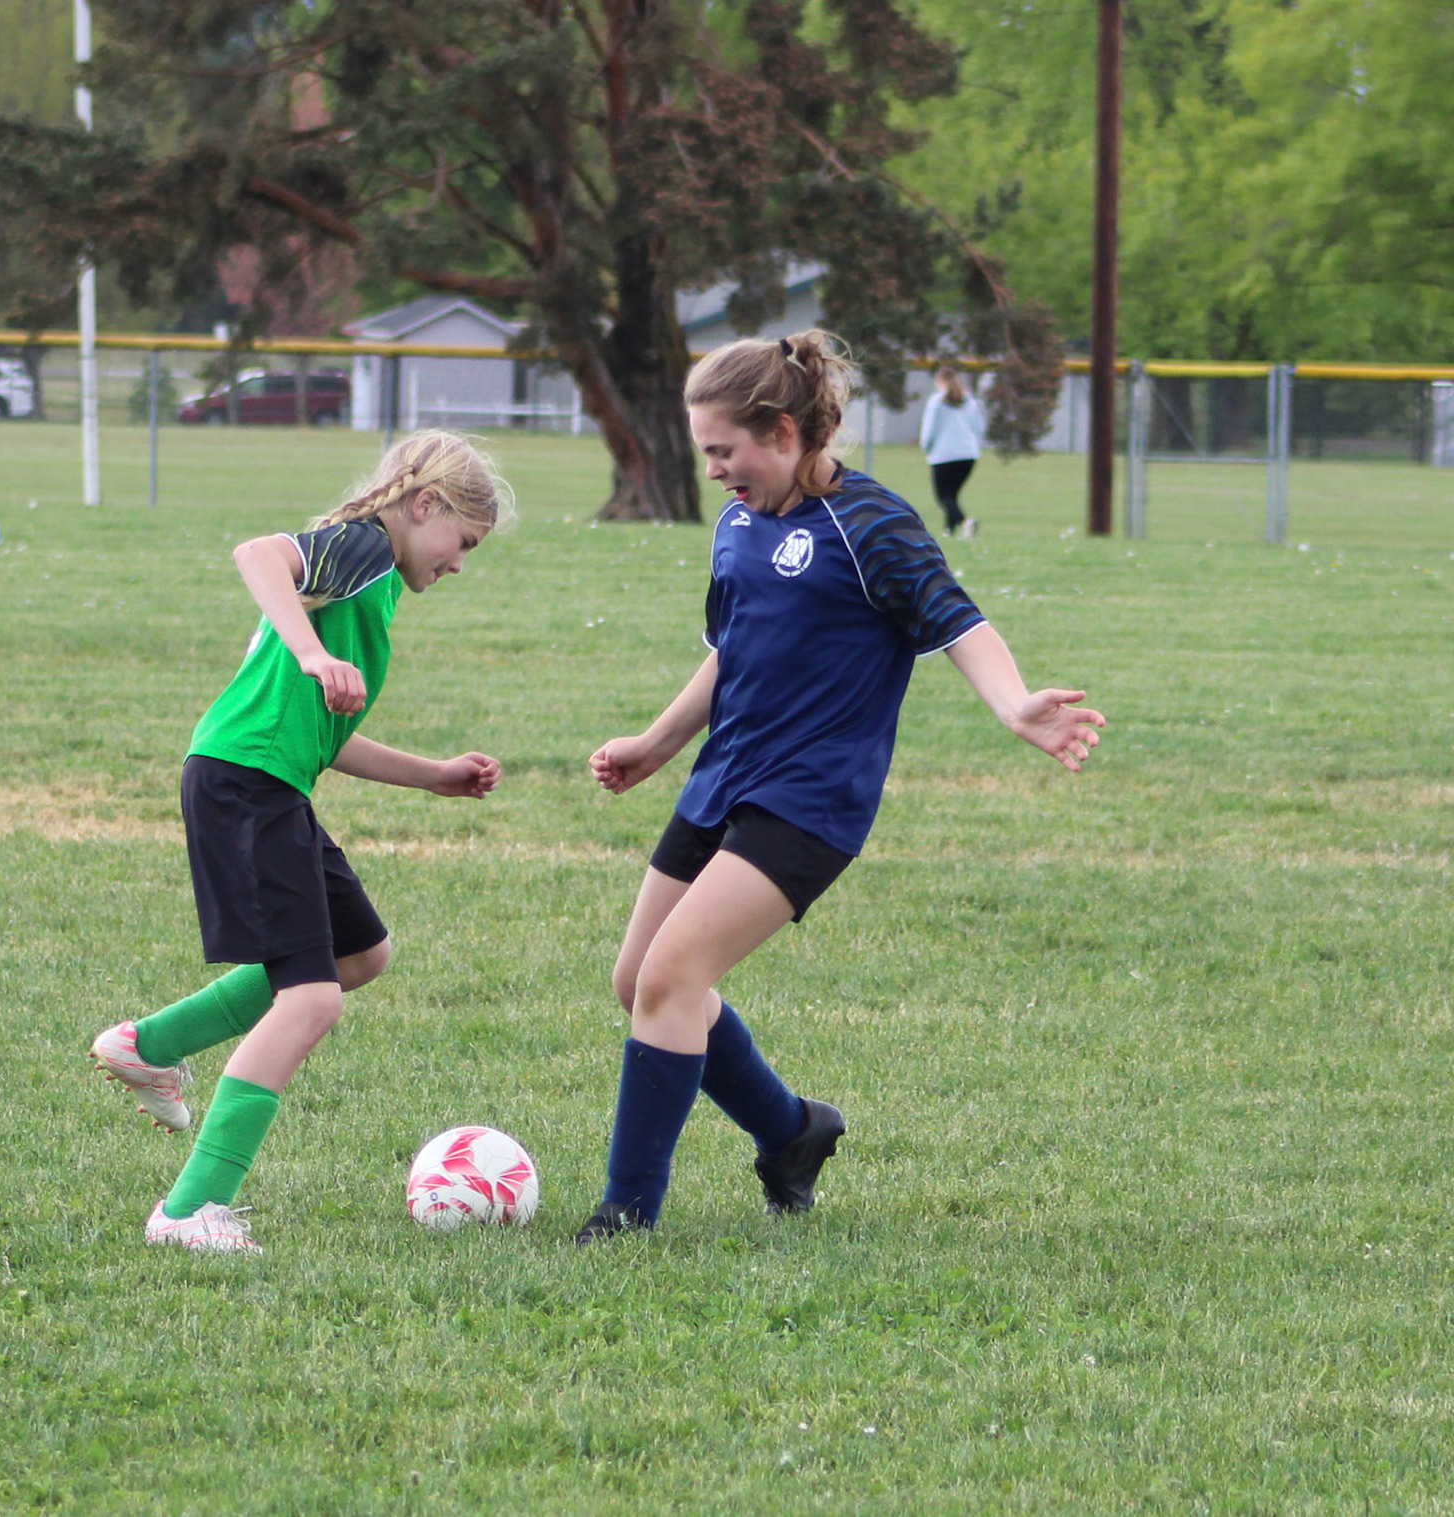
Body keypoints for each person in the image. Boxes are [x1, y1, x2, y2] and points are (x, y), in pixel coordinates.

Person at [575, 331, 1104, 1246]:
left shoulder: (872, 525)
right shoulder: (738, 523)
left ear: (783, 433)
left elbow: (960, 624)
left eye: (723, 451)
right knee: (638, 982)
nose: (714, 472)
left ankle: (628, 1213)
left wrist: (1015, 704)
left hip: (810, 803)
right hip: (722, 779)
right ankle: (792, 1132)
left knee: (671, 976)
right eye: (705, 453)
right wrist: (657, 743)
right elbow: (728, 650)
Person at [89, 430, 513, 1255]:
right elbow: (257, 554)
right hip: (244, 784)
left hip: (268, 782)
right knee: (312, 1000)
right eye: (462, 541)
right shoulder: (362, 546)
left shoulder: (373, 584)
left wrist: (433, 776)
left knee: (361, 954)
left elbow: (326, 737)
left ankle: (148, 1045)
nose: (460, 563)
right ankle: (189, 1210)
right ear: (424, 504)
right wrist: (312, 651)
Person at [920, 362, 984, 540]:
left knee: (943, 497)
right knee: (952, 495)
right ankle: (948, 531)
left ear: (939, 381)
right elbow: (979, 427)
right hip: (968, 455)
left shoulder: (937, 402)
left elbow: (929, 429)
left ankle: (965, 522)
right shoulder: (969, 400)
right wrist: (975, 445)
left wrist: (926, 446)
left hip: (944, 456)